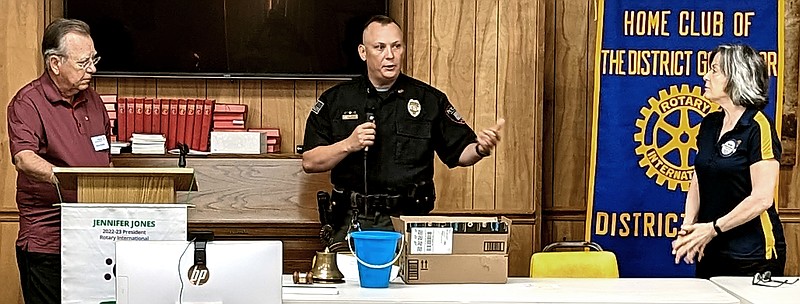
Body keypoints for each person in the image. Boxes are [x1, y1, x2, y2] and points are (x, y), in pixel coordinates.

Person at [302, 15, 504, 243]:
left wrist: (481, 148)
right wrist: (348, 144)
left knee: (410, 279)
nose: (390, 55)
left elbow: (460, 153)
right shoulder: (336, 100)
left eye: (396, 46)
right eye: (380, 47)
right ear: (362, 52)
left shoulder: (428, 100)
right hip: (352, 218)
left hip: (410, 219)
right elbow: (310, 161)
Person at [7, 19, 111, 303]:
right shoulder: (28, 102)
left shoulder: (94, 100)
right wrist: (72, 179)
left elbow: (105, 158)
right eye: (83, 62)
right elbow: (25, 159)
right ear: (55, 63)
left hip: (94, 236)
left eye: (94, 59)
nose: (93, 68)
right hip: (49, 243)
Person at [671, 44, 785, 279]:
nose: (705, 76)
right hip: (711, 249)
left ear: (738, 77)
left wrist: (712, 229)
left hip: (752, 255)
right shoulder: (709, 124)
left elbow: (761, 199)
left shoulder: (758, 126)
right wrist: (689, 227)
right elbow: (698, 178)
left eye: (715, 70)